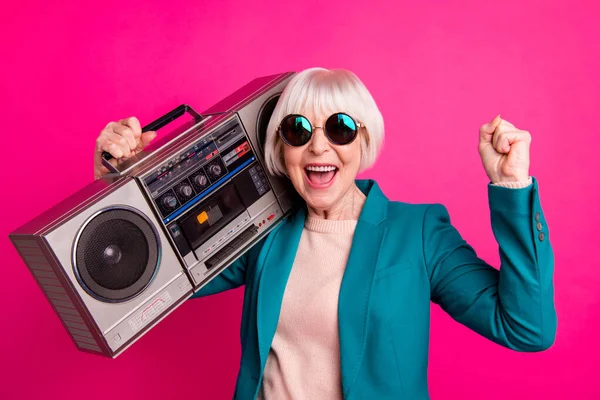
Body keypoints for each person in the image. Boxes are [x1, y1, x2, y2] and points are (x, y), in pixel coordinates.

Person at [94, 67, 557, 400]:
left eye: (339, 128)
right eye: (298, 130)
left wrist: (511, 186)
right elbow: (142, 286)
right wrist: (122, 183)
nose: (319, 145)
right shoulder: (263, 234)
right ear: (281, 148)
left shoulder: (417, 233)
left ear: (364, 141)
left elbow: (527, 328)